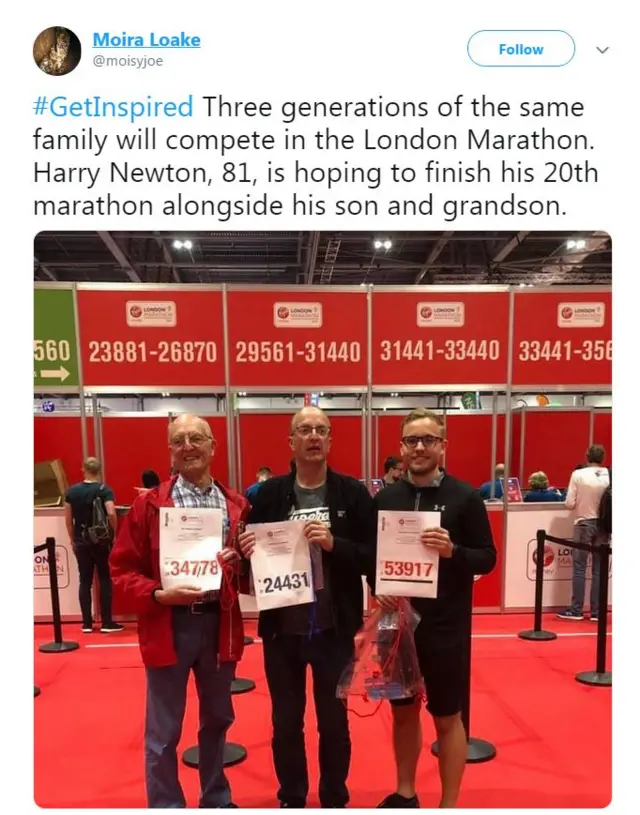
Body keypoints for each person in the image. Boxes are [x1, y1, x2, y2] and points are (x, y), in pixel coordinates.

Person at [238, 406, 375, 809]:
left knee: (334, 723)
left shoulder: (352, 494)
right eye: (304, 429)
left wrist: (336, 545)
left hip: (334, 630)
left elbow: (371, 556)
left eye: (321, 429)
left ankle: (334, 797)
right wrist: (246, 550)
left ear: (330, 440)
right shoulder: (268, 495)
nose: (313, 436)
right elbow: (252, 557)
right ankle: (292, 798)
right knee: (285, 724)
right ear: (291, 441)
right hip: (283, 631)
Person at [110, 414, 250, 809]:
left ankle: (216, 798)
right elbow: (120, 570)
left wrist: (239, 564)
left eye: (196, 438)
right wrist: (157, 595)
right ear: (170, 451)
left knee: (218, 720)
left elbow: (246, 572)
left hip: (219, 624)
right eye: (179, 440)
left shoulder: (236, 505)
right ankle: (167, 805)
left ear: (212, 446)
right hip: (168, 625)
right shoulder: (148, 505)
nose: (188, 446)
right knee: (163, 732)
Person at [374, 407, 497, 809]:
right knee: (403, 712)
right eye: (412, 440)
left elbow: (487, 558)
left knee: (447, 717)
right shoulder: (386, 498)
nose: (420, 447)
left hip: (445, 627)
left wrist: (454, 551)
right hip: (396, 625)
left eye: (429, 439)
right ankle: (405, 792)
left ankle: (448, 804)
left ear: (443, 446)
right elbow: (371, 558)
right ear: (401, 448)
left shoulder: (465, 497)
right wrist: (377, 588)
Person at [64, 457, 122, 634]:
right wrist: (114, 534)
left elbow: (68, 520)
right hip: (101, 541)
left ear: (84, 469)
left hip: (82, 540)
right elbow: (111, 512)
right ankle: (106, 622)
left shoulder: (72, 492)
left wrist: (73, 539)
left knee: (85, 581)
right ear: (99, 470)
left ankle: (87, 623)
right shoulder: (104, 490)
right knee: (105, 579)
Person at [557, 445, 610, 622]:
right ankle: (596, 612)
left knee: (579, 568)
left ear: (587, 456)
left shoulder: (578, 474)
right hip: (604, 526)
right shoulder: (610, 475)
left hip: (584, 523)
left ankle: (576, 609)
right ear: (603, 457)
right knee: (598, 570)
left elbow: (569, 503)